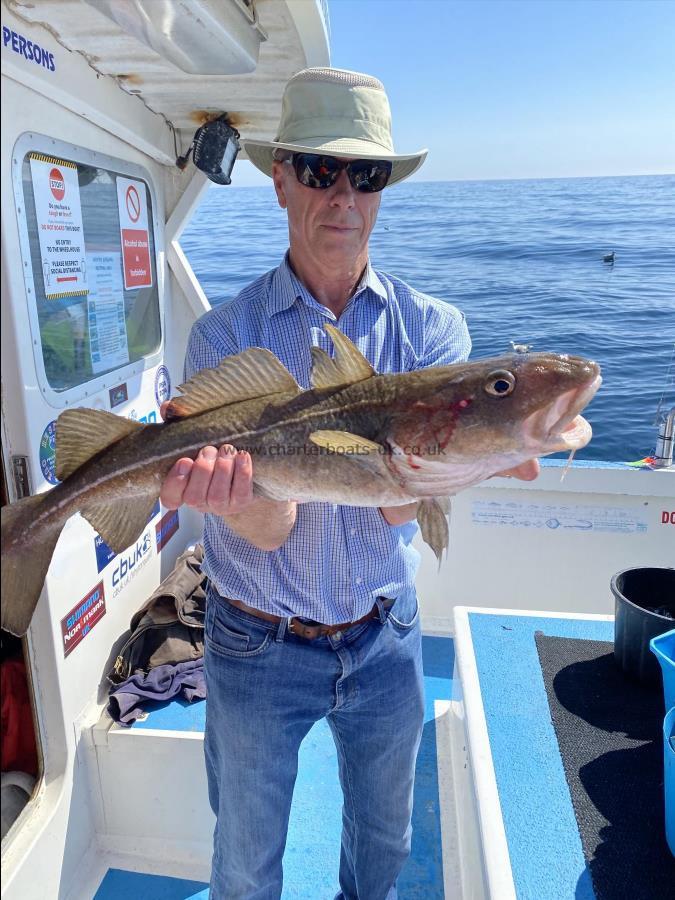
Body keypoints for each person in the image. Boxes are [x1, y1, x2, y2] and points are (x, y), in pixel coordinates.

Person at [160, 67, 538, 900]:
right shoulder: (226, 336)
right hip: (255, 640)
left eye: (365, 174)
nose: (343, 195)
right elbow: (266, 530)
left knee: (383, 854)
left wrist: (470, 457)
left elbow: (406, 496)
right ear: (279, 180)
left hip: (383, 633)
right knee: (246, 866)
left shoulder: (433, 329)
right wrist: (243, 500)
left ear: (382, 189)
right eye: (319, 170)